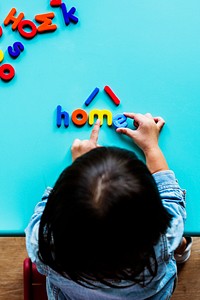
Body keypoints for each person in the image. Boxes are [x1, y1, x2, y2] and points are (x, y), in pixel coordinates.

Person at [25, 112, 192, 300]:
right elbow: (170, 197)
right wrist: (151, 147)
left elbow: (43, 212)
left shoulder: (43, 245)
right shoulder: (163, 235)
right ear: (153, 211)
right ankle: (181, 250)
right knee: (176, 239)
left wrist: (79, 169)